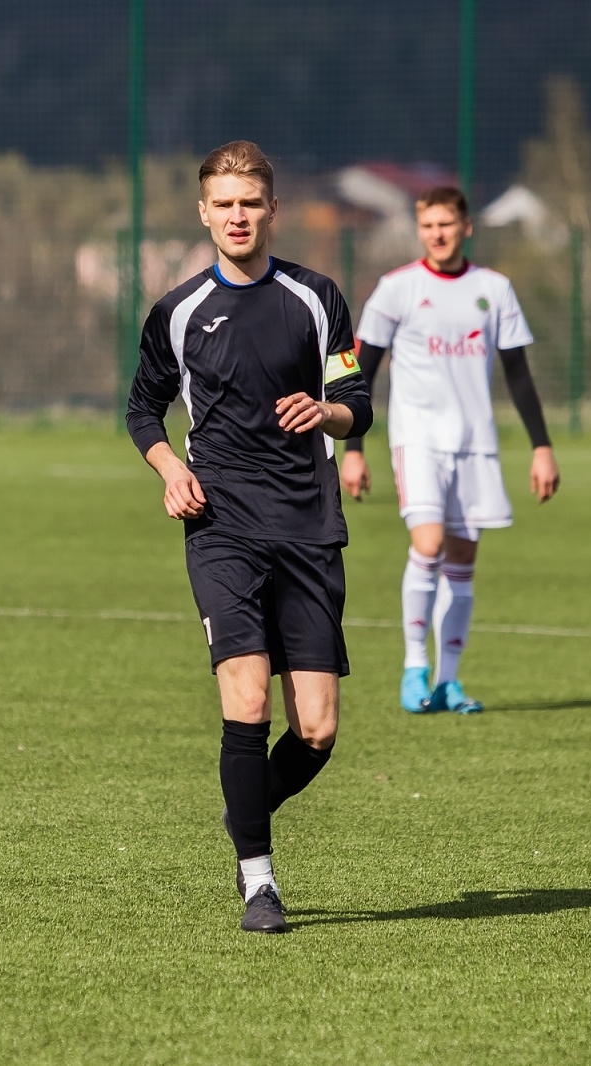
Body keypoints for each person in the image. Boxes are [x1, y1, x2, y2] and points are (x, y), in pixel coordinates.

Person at [125, 141, 373, 934]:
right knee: (247, 698)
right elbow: (142, 410)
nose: (238, 216)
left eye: (251, 203)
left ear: (273, 210)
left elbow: (358, 401)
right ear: (204, 212)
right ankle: (259, 881)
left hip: (306, 526)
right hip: (221, 527)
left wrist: (327, 413)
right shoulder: (176, 312)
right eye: (224, 204)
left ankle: (245, 813)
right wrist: (170, 468)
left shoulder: (317, 298)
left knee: (317, 730)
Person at [341, 186, 559, 715]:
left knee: (462, 561)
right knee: (430, 542)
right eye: (428, 225)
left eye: (445, 224)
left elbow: (518, 374)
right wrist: (353, 450)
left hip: (475, 443)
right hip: (417, 439)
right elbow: (361, 372)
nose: (437, 234)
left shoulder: (494, 289)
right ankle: (414, 666)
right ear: (420, 230)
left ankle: (448, 682)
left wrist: (542, 447)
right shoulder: (397, 289)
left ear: (466, 227)